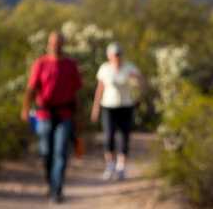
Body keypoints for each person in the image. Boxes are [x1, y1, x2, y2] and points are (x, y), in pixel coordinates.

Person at [21, 31, 82, 204]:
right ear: (48, 44)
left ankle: (57, 190)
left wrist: (79, 118)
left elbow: (76, 92)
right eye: (52, 42)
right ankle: (51, 183)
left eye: (58, 42)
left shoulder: (70, 65)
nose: (55, 45)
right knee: (46, 152)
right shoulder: (40, 63)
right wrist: (25, 108)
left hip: (65, 114)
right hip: (44, 114)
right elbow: (31, 89)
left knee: (61, 153)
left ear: (63, 44)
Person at [91, 42, 143, 181]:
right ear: (109, 56)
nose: (117, 57)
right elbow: (100, 89)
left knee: (124, 137)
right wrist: (95, 107)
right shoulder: (105, 69)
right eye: (115, 55)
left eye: (119, 54)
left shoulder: (129, 68)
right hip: (108, 106)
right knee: (109, 136)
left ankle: (121, 167)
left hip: (126, 106)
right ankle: (110, 165)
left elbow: (139, 84)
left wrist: (137, 88)